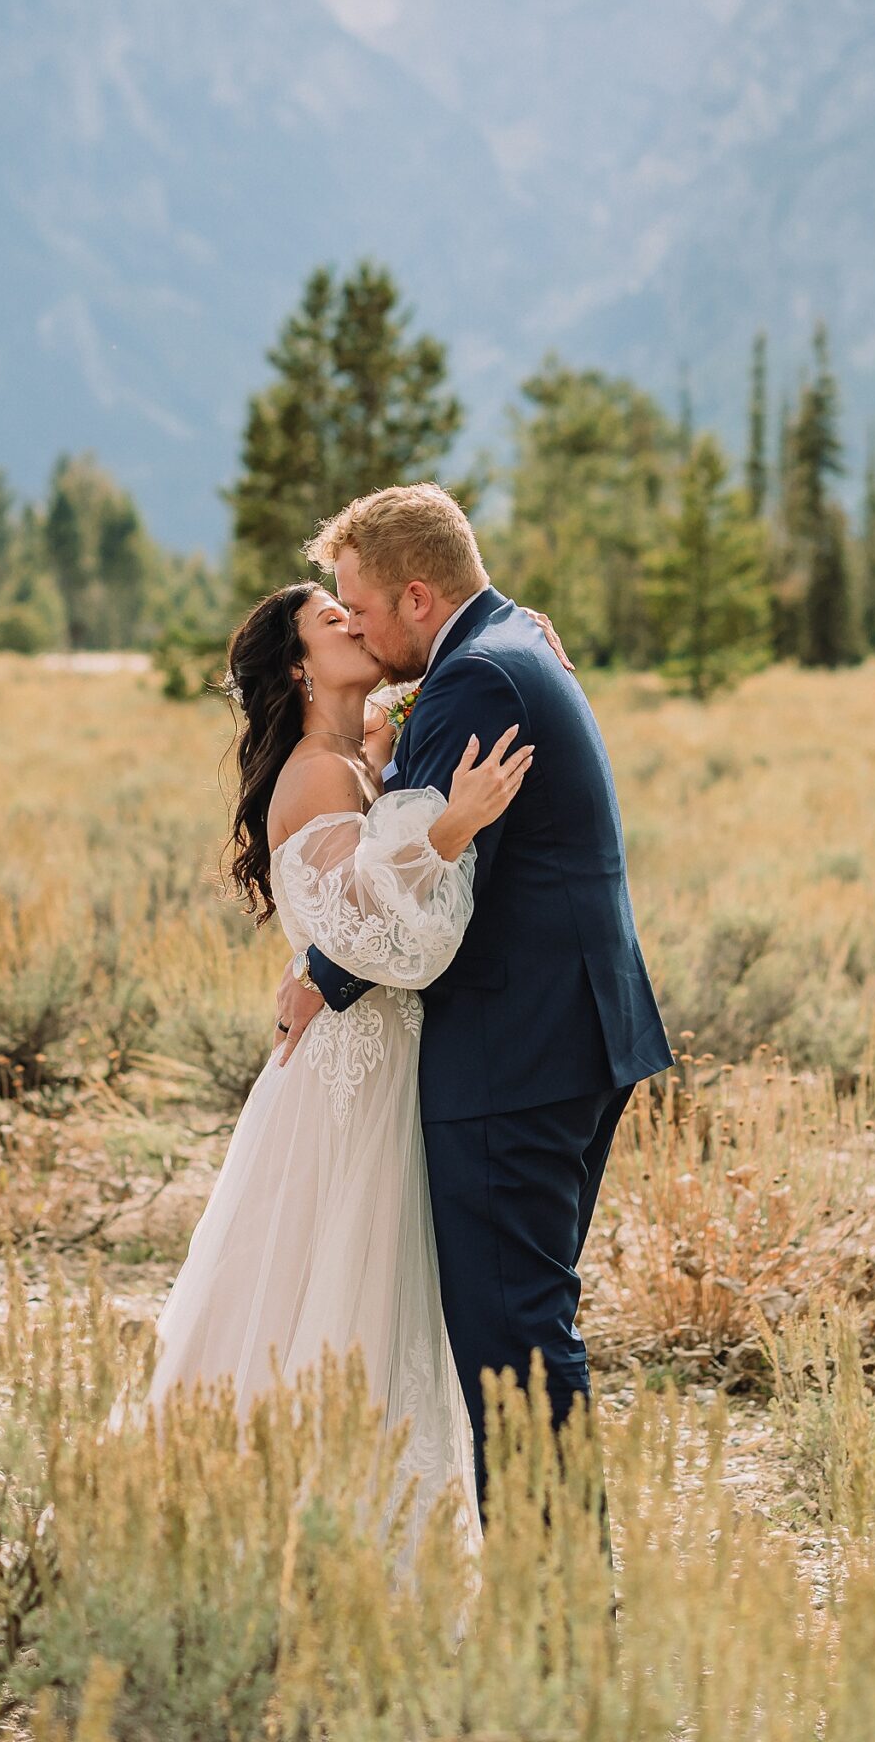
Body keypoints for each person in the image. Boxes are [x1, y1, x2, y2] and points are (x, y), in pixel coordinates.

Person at [279, 483, 671, 1509]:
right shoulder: (499, 647)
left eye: (358, 605)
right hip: (561, 1033)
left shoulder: (479, 679)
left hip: (516, 1046)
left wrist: (324, 972)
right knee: (522, 1321)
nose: (354, 624)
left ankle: (557, 1612)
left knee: (515, 1337)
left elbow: (429, 879)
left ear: (417, 596)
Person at [148, 578, 534, 1541]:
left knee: (373, 1295)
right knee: (317, 1288)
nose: (356, 623)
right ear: (296, 666)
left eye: (353, 609)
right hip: (342, 1082)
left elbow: (437, 664)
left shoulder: (359, 755)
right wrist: (454, 826)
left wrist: (526, 630)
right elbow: (360, 930)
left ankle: (371, 1530)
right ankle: (282, 1533)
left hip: (383, 1062)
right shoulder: (319, 773)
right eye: (332, 621)